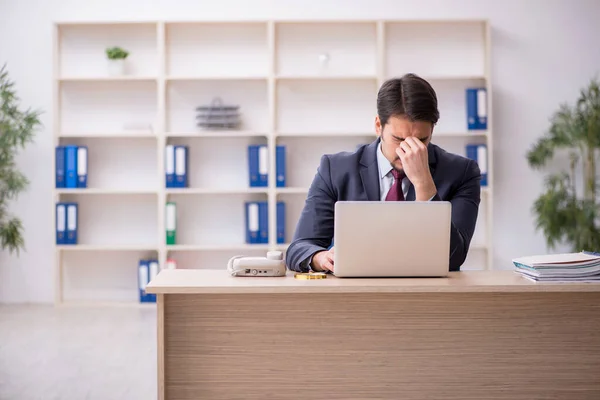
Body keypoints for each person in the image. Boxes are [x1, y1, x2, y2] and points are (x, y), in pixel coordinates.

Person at [285, 73, 482, 273]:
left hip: (427, 296)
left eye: (421, 140)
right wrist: (321, 258)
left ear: (432, 131)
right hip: (355, 295)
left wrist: (424, 184)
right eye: (398, 139)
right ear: (378, 125)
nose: (407, 150)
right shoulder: (335, 169)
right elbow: (299, 249)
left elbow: (454, 258)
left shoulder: (462, 173)